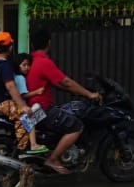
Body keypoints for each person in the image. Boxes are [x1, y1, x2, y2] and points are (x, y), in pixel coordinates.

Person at [25, 28, 102, 174]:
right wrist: (89, 94)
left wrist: (74, 91)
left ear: (33, 44)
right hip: (42, 110)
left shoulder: (30, 61)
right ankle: (53, 159)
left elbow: (58, 84)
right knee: (77, 126)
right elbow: (66, 82)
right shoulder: (43, 62)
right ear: (49, 43)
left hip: (31, 109)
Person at [0, 33, 43, 154]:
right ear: (10, 47)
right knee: (27, 116)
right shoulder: (5, 66)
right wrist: (23, 106)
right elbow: (10, 86)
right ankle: (25, 149)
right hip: (1, 103)